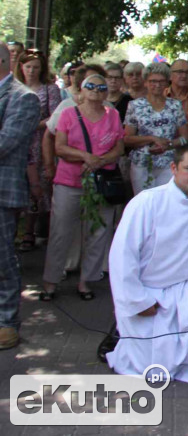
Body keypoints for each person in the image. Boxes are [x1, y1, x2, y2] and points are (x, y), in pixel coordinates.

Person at [106, 145, 188, 387]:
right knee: (145, 358)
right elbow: (122, 257)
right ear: (174, 168)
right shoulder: (146, 202)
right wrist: (136, 300)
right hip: (148, 288)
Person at [40, 73, 124, 301]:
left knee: (98, 232)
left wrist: (102, 161)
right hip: (69, 182)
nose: (96, 90)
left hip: (102, 182)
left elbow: (119, 147)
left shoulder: (113, 115)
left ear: (107, 91)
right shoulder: (68, 113)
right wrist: (86, 157)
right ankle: (51, 281)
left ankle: (86, 280)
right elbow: (60, 147)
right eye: (91, 86)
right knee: (60, 231)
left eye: (101, 87)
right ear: (81, 90)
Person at [0, 43, 42, 350]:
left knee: (2, 259)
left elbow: (6, 142)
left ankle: (7, 321)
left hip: (2, 191)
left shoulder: (23, 97)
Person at [15, 49, 61, 252]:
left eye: (35, 67)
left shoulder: (49, 89)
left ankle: (29, 231)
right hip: (16, 141)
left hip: (40, 141)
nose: (31, 71)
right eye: (28, 67)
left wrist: (34, 124)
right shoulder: (13, 88)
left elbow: (56, 117)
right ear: (21, 67)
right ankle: (13, 229)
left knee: (38, 187)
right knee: (16, 185)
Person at [123, 62, 188, 194]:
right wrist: (152, 139)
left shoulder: (175, 106)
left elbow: (185, 138)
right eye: (153, 81)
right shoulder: (135, 106)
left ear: (167, 83)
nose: (157, 85)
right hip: (142, 163)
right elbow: (127, 139)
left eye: (161, 81)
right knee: (144, 204)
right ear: (145, 82)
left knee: (167, 203)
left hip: (168, 163)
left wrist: (168, 144)